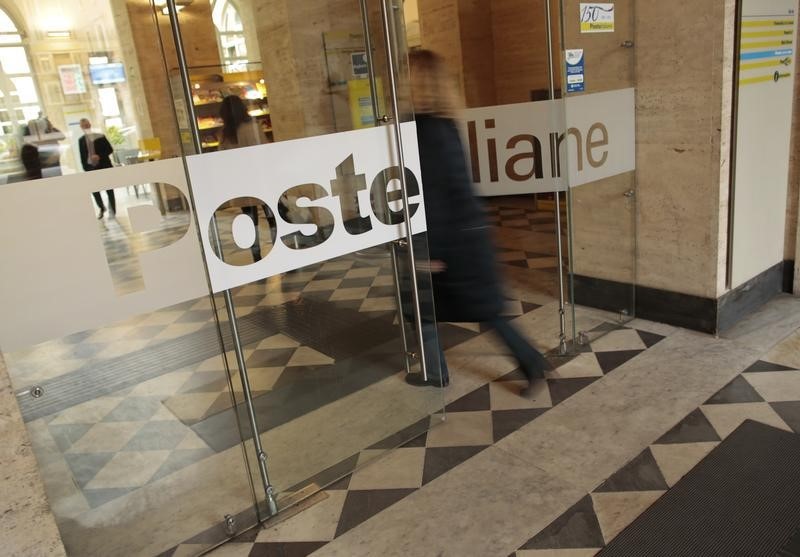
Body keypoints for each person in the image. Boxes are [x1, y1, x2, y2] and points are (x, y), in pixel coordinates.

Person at [406, 49, 549, 397]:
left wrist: (431, 250)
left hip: (451, 241)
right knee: (479, 310)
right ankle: (529, 361)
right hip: (467, 236)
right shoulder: (443, 123)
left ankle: (438, 372)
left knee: (422, 307)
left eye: (405, 75)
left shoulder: (425, 130)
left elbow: (439, 193)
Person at [218, 95, 280, 260]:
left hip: (241, 180)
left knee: (250, 219)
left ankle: (256, 255)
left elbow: (223, 158)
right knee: (271, 215)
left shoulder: (226, 133)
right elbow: (263, 151)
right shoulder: (252, 127)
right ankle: (278, 249)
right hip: (260, 177)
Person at [78, 118, 116, 219]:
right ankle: (101, 208)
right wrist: (86, 170)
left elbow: (110, 149)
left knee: (109, 189)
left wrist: (99, 156)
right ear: (81, 128)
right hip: (91, 169)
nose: (86, 127)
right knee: (95, 191)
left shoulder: (100, 136)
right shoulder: (81, 140)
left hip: (104, 166)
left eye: (87, 125)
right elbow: (82, 157)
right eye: (83, 126)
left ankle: (113, 210)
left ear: (90, 124)